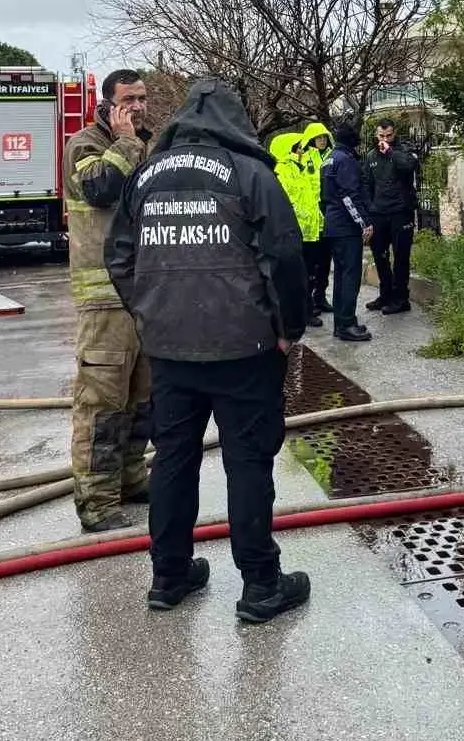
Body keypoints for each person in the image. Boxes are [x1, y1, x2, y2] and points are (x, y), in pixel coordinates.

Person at [105, 78, 311, 624]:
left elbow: (119, 257)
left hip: (169, 351)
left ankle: (169, 576)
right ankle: (262, 586)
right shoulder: (251, 174)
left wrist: (150, 313)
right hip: (244, 348)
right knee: (247, 462)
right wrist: (289, 327)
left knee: (173, 458)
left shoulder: (146, 176)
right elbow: (285, 258)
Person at [61, 68, 153, 532]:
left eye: (141, 98)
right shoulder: (85, 145)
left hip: (141, 294)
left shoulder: (144, 144)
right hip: (104, 302)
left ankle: (132, 479)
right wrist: (126, 142)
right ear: (108, 104)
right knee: (102, 404)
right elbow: (100, 189)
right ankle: (96, 504)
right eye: (128, 100)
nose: (137, 106)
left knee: (141, 398)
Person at [320, 120, 373, 342]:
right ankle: (346, 324)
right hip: (346, 227)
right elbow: (349, 195)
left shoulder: (328, 159)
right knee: (350, 276)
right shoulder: (346, 161)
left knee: (341, 275)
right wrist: (364, 223)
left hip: (333, 225)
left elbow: (323, 198)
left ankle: (342, 322)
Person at [363, 119, 420, 316]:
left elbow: (408, 166)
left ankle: (401, 298)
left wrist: (390, 151)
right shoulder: (370, 156)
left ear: (394, 134)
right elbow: (367, 185)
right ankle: (385, 294)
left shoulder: (404, 150)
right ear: (376, 135)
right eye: (381, 136)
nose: (385, 139)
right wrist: (369, 211)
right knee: (380, 256)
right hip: (379, 213)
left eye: (389, 135)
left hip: (400, 212)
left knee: (401, 257)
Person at [268, 133, 323, 329]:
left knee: (310, 273)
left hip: (310, 229)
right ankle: (302, 312)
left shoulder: (304, 167)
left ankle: (307, 308)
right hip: (294, 231)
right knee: (297, 275)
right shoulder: (283, 170)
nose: (303, 149)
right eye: (299, 146)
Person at [298, 122, 333, 316]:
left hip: (327, 214)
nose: (321, 140)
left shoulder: (331, 155)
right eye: (318, 137)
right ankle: (309, 299)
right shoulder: (305, 156)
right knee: (311, 263)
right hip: (311, 217)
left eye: (324, 137)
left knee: (325, 261)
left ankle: (321, 296)